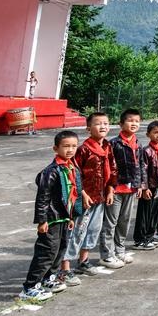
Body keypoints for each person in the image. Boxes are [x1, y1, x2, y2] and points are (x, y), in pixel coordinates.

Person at [18, 130, 83, 301]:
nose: (70, 150)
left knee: (60, 249)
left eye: (74, 146)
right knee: (46, 252)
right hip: (51, 218)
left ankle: (49, 279)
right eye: (66, 146)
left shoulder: (71, 167)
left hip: (64, 217)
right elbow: (43, 198)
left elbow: (71, 194)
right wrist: (42, 220)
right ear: (56, 148)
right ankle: (30, 287)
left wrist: (71, 216)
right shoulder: (51, 171)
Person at [60, 112, 116, 283]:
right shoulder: (83, 149)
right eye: (98, 123)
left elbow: (112, 170)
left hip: (100, 197)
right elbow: (75, 174)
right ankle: (65, 269)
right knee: (77, 231)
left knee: (93, 230)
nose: (103, 126)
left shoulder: (107, 146)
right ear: (88, 128)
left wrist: (110, 190)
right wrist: (82, 194)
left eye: (106, 123)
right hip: (85, 199)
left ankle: (83, 261)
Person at [100, 109, 144, 268]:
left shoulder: (138, 144)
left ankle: (120, 250)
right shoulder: (113, 144)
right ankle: (106, 255)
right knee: (110, 223)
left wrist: (140, 184)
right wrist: (110, 187)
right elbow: (108, 168)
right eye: (130, 120)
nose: (134, 124)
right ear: (121, 124)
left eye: (137, 121)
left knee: (124, 221)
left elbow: (140, 166)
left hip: (131, 189)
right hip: (116, 190)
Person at [135, 120, 158, 248]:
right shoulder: (146, 151)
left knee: (154, 213)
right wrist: (144, 188)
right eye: (155, 132)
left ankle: (149, 236)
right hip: (149, 187)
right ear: (148, 134)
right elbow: (143, 170)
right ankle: (140, 239)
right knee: (144, 214)